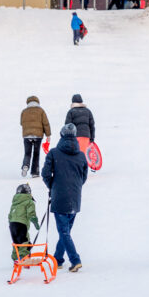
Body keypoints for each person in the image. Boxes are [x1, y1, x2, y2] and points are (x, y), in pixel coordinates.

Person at [41, 124, 88, 272]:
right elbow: (84, 176)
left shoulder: (54, 153)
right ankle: (58, 259)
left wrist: (53, 187)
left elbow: (45, 174)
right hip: (74, 198)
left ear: (61, 135)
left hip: (59, 197)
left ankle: (75, 260)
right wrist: (76, 187)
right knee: (65, 231)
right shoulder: (81, 155)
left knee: (64, 232)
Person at [20, 95, 51, 177]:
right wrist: (48, 135)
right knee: (36, 154)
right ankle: (35, 172)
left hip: (27, 136)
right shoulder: (41, 111)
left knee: (27, 153)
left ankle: (25, 165)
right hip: (38, 136)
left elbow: (21, 122)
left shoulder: (24, 111)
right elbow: (46, 123)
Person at [8, 184, 40, 260]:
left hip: (12, 225)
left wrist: (11, 224)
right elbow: (31, 214)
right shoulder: (29, 202)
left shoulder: (15, 202)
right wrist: (36, 223)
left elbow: (9, 215)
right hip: (22, 224)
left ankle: (16, 259)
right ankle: (24, 258)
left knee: (16, 242)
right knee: (24, 241)